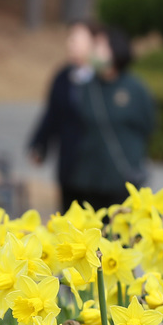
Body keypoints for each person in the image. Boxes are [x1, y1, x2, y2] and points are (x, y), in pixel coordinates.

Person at [67, 26, 157, 216]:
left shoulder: (135, 88)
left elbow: (148, 125)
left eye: (101, 46)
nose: (95, 52)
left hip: (122, 175)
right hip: (88, 178)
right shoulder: (85, 87)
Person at [28, 20, 97, 213]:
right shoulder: (63, 76)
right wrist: (39, 144)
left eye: (76, 39)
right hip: (69, 160)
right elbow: (52, 114)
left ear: (94, 42)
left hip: (97, 167)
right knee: (69, 213)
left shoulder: (104, 79)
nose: (70, 44)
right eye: (70, 39)